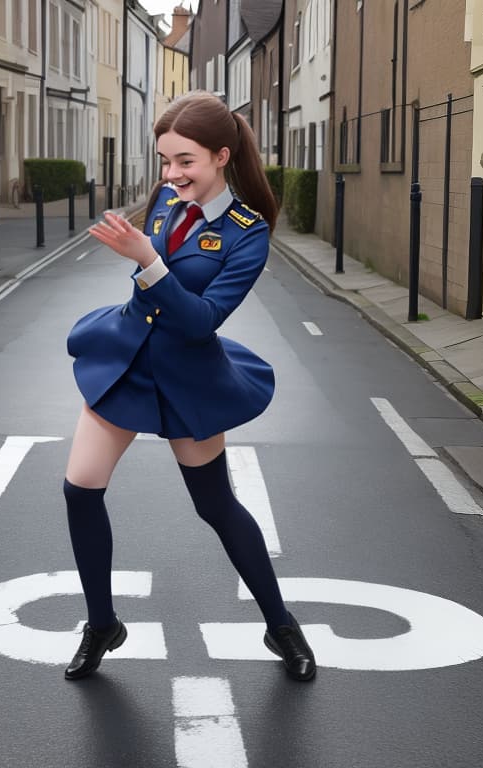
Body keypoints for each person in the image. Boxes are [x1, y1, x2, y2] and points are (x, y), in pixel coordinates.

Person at [61, 91, 317, 683]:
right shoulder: (161, 202)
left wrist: (149, 261)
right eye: (164, 161)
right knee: (80, 489)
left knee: (216, 506)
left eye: (185, 162)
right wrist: (147, 259)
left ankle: (281, 625)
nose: (171, 174)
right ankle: (102, 625)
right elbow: (147, 289)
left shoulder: (247, 233)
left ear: (221, 156)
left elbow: (203, 320)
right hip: (126, 360)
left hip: (188, 376)